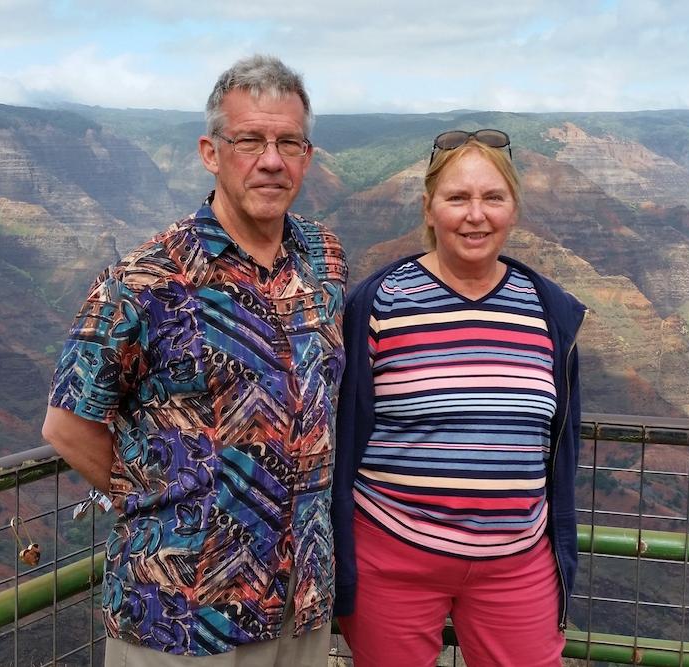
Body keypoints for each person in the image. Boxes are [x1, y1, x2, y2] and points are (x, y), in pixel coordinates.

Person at [42, 55, 347, 666]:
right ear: (212, 152)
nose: (271, 159)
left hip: (301, 600)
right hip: (181, 614)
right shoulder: (147, 278)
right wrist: (168, 502)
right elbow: (67, 425)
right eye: (249, 140)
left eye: (289, 142)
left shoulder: (324, 258)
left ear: (307, 157)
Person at [332, 129, 586, 666]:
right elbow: (345, 429)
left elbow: (559, 440)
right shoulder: (378, 304)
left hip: (517, 561)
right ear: (429, 208)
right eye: (457, 198)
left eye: (493, 197)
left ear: (513, 208)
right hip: (392, 557)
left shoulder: (549, 311)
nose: (476, 215)